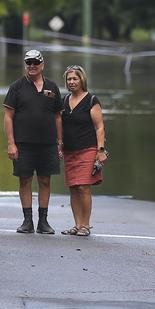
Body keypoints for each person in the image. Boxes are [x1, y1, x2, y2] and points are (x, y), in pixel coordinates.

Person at [4, 49, 63, 233]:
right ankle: (27, 221)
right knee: (25, 180)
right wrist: (11, 143)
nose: (31, 66)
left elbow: (58, 116)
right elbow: (8, 117)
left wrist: (60, 142)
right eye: (28, 63)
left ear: (42, 65)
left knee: (45, 181)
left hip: (48, 144)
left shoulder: (52, 87)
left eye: (35, 63)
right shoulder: (16, 87)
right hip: (23, 144)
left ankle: (43, 222)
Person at [60, 64, 107, 236]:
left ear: (82, 80)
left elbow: (99, 127)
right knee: (73, 187)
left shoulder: (91, 100)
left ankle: (85, 225)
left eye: (75, 78)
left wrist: (100, 150)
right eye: (69, 79)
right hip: (69, 151)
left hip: (88, 149)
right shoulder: (64, 101)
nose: (72, 82)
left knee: (83, 188)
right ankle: (77, 224)